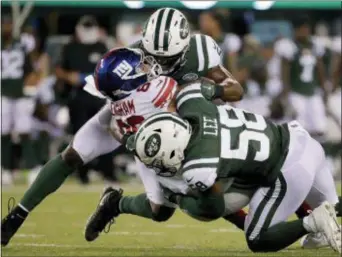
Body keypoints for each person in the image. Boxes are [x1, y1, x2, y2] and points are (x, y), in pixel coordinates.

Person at [0, 8, 244, 246]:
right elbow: (117, 112)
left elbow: (236, 90)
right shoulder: (132, 54)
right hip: (131, 116)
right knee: (73, 154)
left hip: (173, 124)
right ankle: (17, 215)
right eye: (153, 56)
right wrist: (129, 136)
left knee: (162, 209)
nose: (159, 62)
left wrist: (210, 89)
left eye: (167, 58)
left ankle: (114, 204)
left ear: (185, 43)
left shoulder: (200, 51)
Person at [126, 82, 341, 253]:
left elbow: (213, 208)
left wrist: (175, 197)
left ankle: (313, 221)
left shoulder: (198, 167)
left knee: (258, 238)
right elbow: (198, 89)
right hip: (301, 138)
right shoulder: (192, 104)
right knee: (335, 206)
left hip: (288, 168)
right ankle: (322, 221)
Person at [55, 15, 115, 184]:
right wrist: (70, 77)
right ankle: (83, 174)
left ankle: (107, 172)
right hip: (78, 98)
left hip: (100, 98)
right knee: (80, 135)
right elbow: (59, 69)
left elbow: (113, 68)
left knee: (107, 133)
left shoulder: (102, 45)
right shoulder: (70, 47)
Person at [274, 15, 328, 141]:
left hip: (312, 91)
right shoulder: (289, 46)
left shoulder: (315, 45)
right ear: (296, 30)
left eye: (307, 29)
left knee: (320, 125)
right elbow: (285, 72)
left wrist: (324, 87)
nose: (305, 32)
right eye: (302, 29)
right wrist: (285, 92)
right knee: (299, 125)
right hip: (296, 91)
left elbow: (320, 69)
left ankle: (322, 151)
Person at [1, 15, 38, 185]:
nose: (6, 28)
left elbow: (31, 70)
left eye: (8, 24)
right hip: (3, 93)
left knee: (24, 131)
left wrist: (30, 87)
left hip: (20, 93)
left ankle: (30, 168)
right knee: (4, 134)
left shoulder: (21, 44)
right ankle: (5, 169)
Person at [198, 10, 241, 76]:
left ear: (216, 22)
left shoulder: (229, 39)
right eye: (201, 21)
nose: (202, 24)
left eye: (206, 20)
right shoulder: (198, 41)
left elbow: (233, 67)